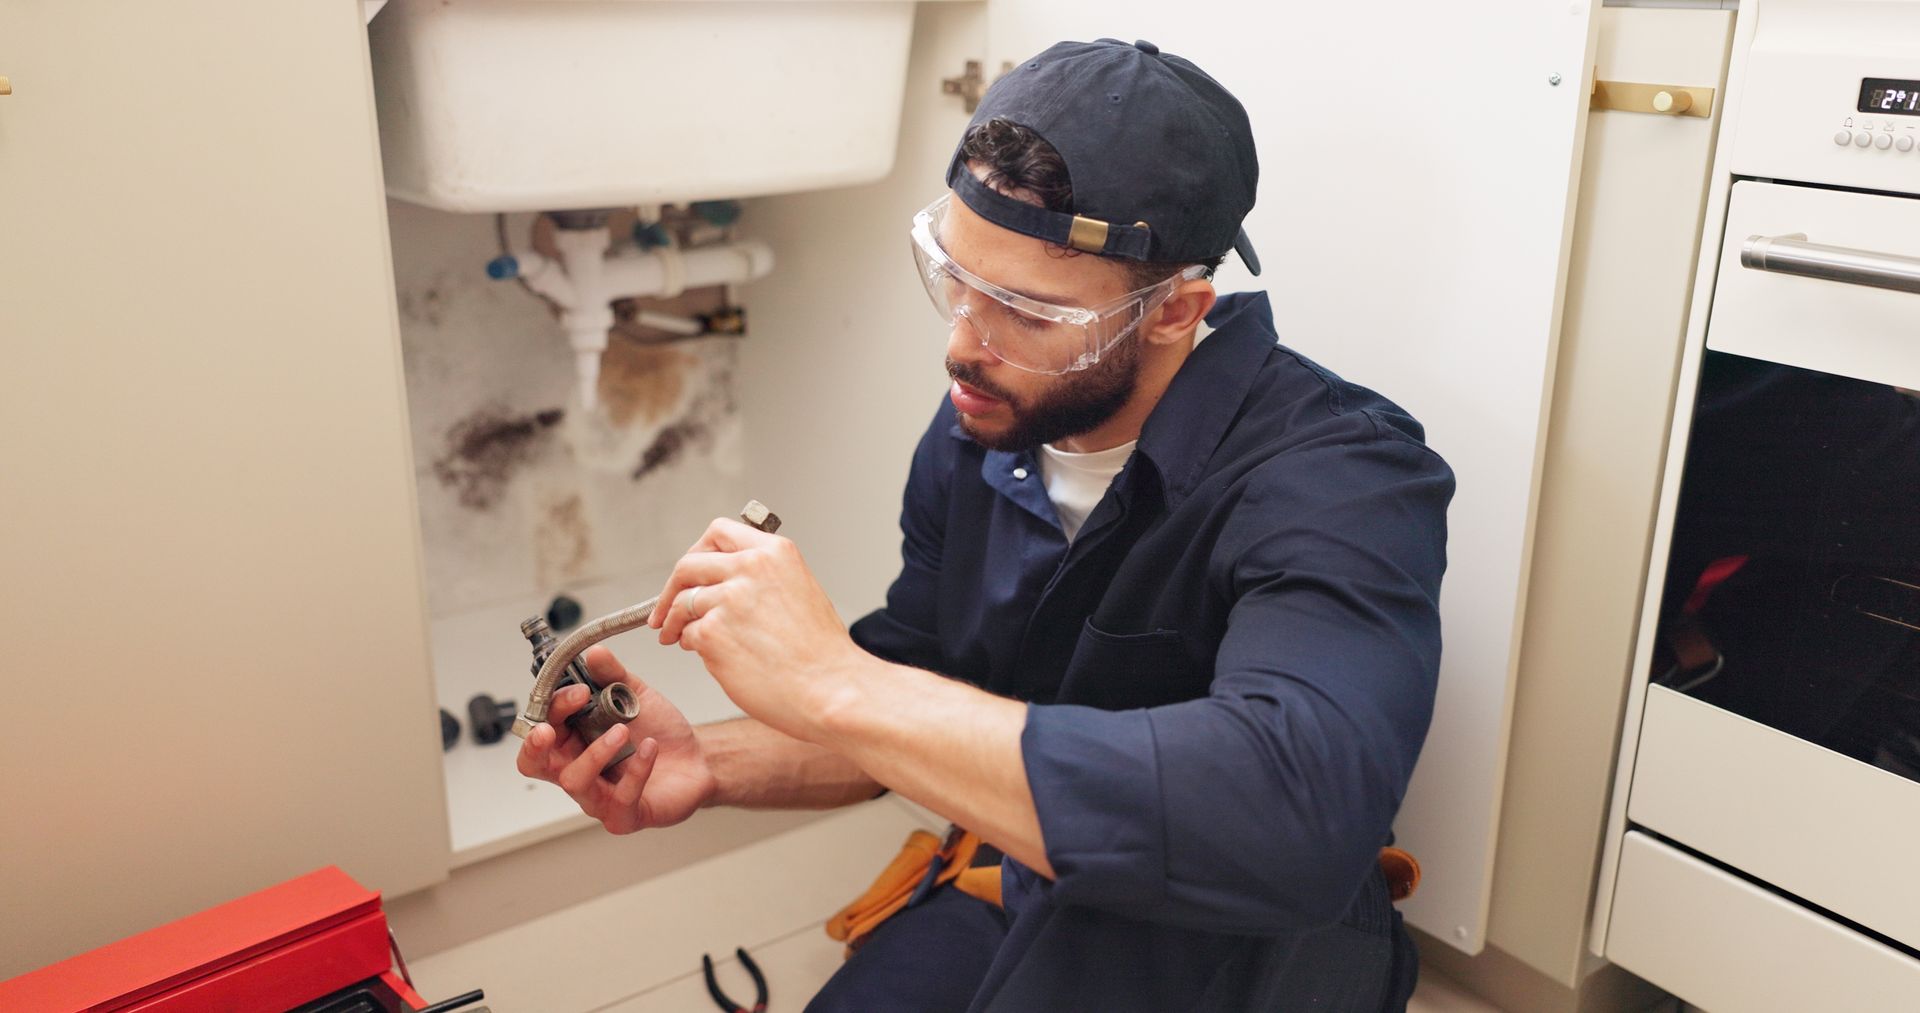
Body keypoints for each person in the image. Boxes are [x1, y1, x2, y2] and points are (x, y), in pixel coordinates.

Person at [518, 37, 1453, 1012]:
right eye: (955, 278)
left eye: (1026, 312)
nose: (964, 343)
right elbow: (923, 695)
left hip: (1240, 928)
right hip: (1027, 871)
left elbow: (1293, 816)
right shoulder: (987, 430)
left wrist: (833, 679)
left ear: (1175, 310)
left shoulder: (1343, 475)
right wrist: (708, 757)